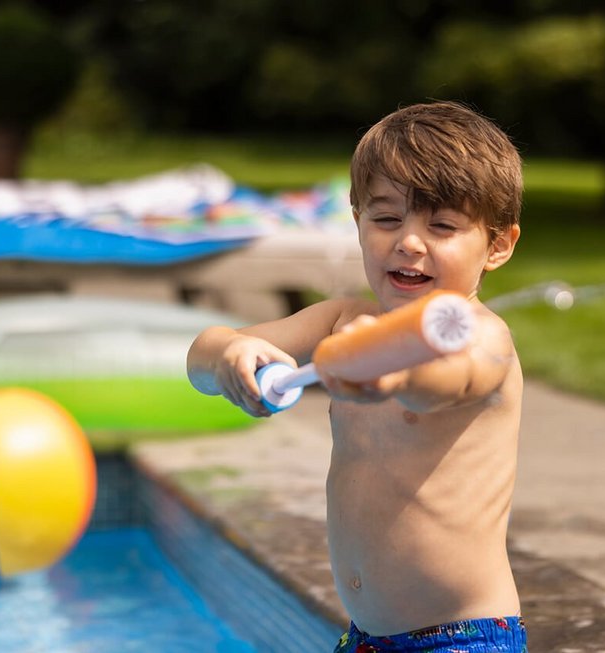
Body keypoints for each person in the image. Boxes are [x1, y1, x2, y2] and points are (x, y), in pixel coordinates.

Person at [187, 101, 526, 652]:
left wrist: (390, 377)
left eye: (441, 225)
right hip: (368, 637)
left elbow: (450, 380)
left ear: (498, 245)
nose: (409, 242)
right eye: (387, 218)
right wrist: (231, 352)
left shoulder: (481, 335)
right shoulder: (344, 319)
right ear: (358, 220)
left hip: (461, 639)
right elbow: (200, 354)